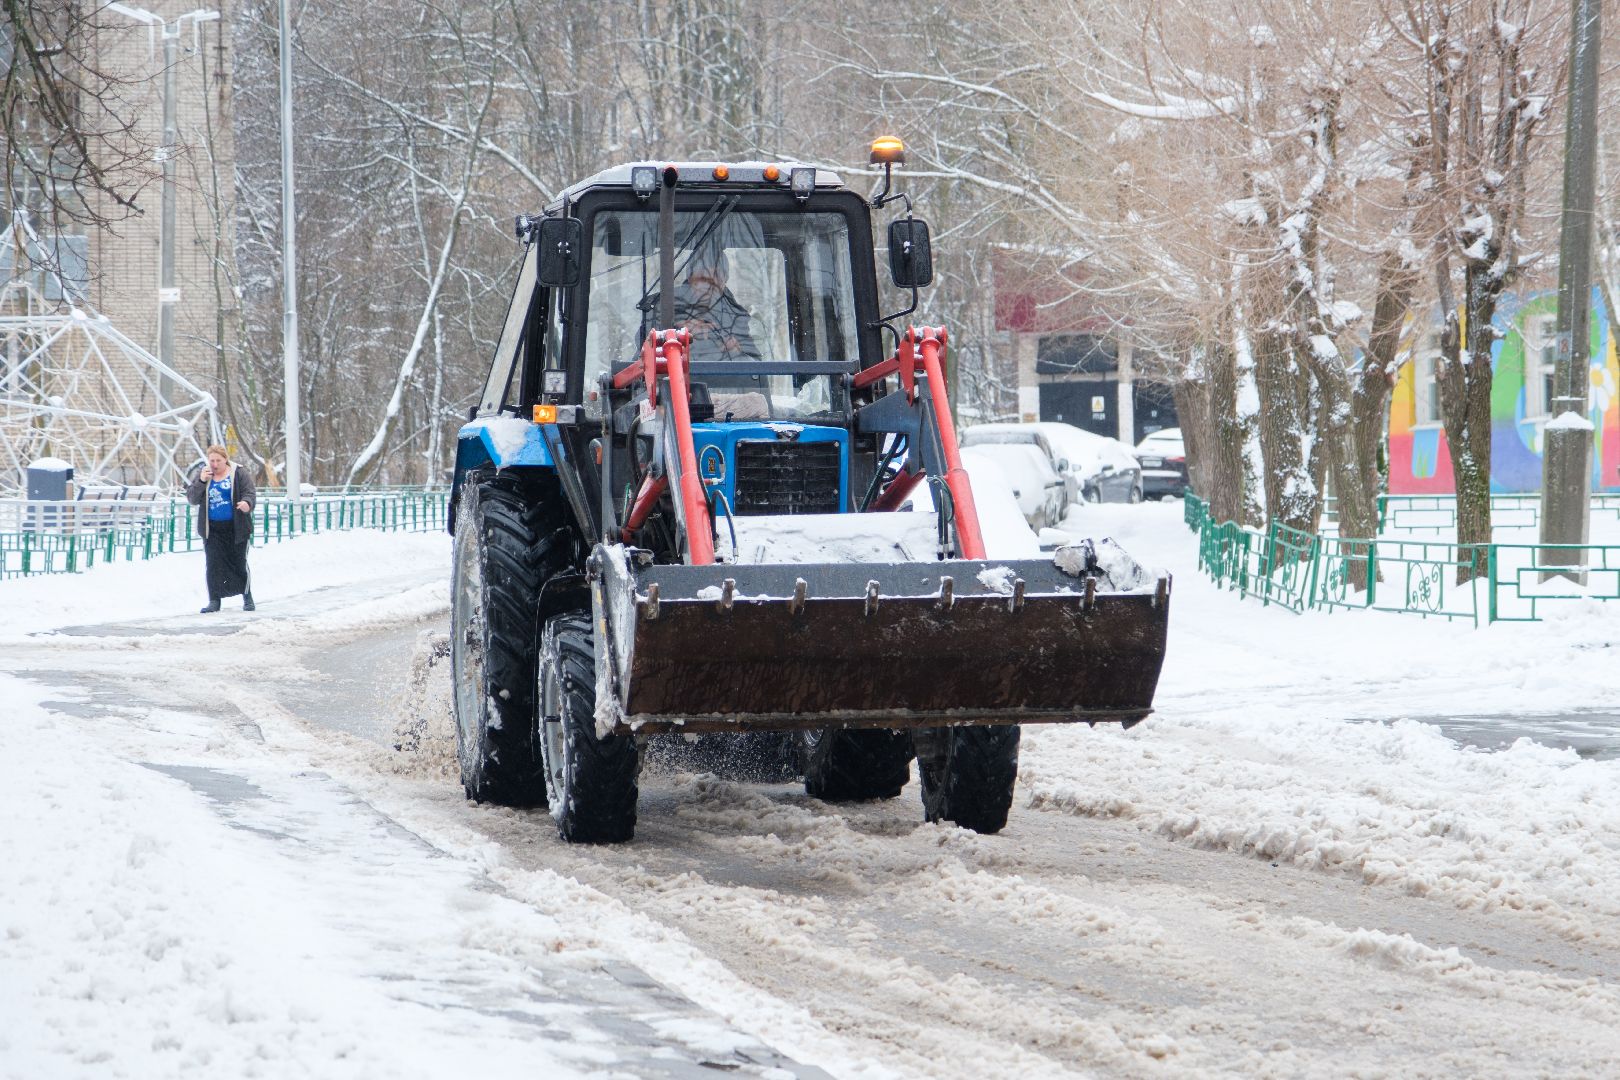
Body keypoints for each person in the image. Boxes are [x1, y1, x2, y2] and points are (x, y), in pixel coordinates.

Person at [185, 445, 256, 613]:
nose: (215, 464)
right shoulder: (204, 475)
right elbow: (192, 498)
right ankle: (214, 600)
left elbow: (250, 493)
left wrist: (247, 503)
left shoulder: (238, 473)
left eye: (218, 460)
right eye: (212, 461)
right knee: (213, 564)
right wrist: (201, 481)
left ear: (226, 460)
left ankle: (247, 597)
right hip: (213, 529)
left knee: (239, 563)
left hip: (236, 527)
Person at [669, 251, 761, 363]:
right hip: (674, 379)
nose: (710, 288)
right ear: (690, 279)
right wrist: (677, 335)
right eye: (703, 279)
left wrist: (735, 351)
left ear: (725, 280)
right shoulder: (662, 309)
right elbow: (645, 360)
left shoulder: (739, 319)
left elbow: (759, 372)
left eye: (716, 280)